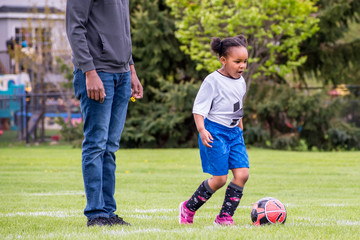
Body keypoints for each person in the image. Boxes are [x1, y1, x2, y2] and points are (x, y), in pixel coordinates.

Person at [66, 0, 143, 227]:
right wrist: (89, 70)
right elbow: (75, 27)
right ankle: (95, 213)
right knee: (96, 145)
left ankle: (108, 212)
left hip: (122, 74)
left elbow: (124, 32)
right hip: (97, 72)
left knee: (110, 148)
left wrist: (132, 70)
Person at [179, 35, 249, 226]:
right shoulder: (212, 81)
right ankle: (188, 208)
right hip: (215, 132)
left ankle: (224, 217)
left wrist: (240, 124)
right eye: (237, 62)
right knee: (219, 179)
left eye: (244, 61)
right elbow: (199, 109)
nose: (242, 66)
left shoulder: (241, 81)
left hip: (234, 134)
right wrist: (202, 130)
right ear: (223, 60)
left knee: (242, 174)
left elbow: (236, 105)